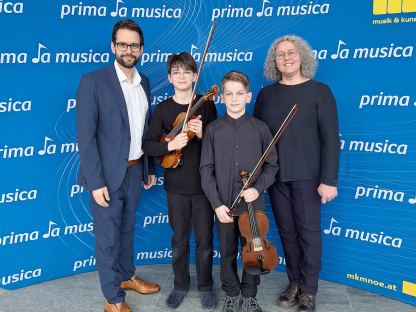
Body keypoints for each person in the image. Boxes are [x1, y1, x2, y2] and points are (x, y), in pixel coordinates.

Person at [76, 19, 160, 312]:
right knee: (108, 237)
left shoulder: (144, 82)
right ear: (113, 46)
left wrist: (149, 168)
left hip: (135, 170)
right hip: (106, 176)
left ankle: (125, 276)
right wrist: (95, 181)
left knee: (127, 229)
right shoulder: (93, 81)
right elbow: (85, 138)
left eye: (134, 45)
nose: (128, 49)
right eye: (122, 44)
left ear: (141, 49)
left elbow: (144, 130)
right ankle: (112, 298)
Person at [253, 35, 341, 312]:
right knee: (288, 233)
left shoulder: (320, 91)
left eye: (291, 53)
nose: (286, 58)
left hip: (308, 177)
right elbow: (258, 137)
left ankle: (310, 289)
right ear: (274, 62)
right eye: (280, 55)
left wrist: (329, 181)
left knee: (309, 233)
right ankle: (294, 282)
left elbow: (330, 140)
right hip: (276, 177)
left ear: (302, 56)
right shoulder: (266, 95)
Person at [143, 52, 217, 309]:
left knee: (205, 241)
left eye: (187, 71)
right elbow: (149, 145)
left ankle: (206, 285)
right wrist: (171, 144)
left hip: (204, 187)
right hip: (175, 188)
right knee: (180, 241)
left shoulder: (206, 105)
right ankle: (180, 285)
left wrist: (202, 133)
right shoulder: (163, 109)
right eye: (176, 72)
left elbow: (218, 144)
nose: (182, 76)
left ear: (195, 76)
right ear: (169, 77)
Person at [200, 71, 278, 312]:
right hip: (224, 205)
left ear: (248, 96)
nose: (234, 98)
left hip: (253, 205)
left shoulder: (261, 128)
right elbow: (206, 169)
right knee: (227, 252)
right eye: (229, 94)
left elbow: (272, 165)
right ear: (222, 97)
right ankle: (232, 294)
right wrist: (216, 203)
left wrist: (257, 188)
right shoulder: (213, 130)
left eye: (239, 93)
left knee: (254, 251)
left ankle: (250, 295)